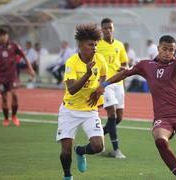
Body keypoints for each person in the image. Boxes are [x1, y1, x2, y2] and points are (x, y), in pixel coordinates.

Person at [91, 35, 176, 180]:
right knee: (160, 140)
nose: (167, 52)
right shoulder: (146, 65)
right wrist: (104, 85)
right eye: (164, 49)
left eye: (171, 50)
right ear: (158, 48)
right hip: (163, 117)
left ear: (174, 51)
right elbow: (124, 73)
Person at [56, 24, 107, 180]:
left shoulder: (100, 59)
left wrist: (101, 87)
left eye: (96, 44)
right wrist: (87, 74)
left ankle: (81, 151)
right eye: (90, 44)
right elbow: (71, 89)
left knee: (99, 146)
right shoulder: (72, 62)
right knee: (65, 151)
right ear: (80, 45)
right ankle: (67, 176)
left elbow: (104, 76)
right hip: (69, 110)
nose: (94, 48)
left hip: (89, 110)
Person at [96, 18, 129, 158]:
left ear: (113, 28)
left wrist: (125, 68)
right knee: (112, 114)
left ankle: (98, 135)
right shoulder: (97, 46)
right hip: (106, 84)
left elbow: (125, 63)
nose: (108, 30)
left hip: (119, 84)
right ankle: (116, 150)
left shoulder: (120, 45)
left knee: (119, 118)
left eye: (110, 27)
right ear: (101, 30)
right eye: (105, 28)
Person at [0, 27, 35, 127]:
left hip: (12, 76)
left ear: (7, 35)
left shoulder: (14, 45)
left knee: (14, 95)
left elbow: (24, 56)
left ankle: (14, 116)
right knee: (4, 98)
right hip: (1, 77)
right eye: (0, 35)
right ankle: (6, 118)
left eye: (4, 35)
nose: (2, 37)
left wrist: (30, 69)